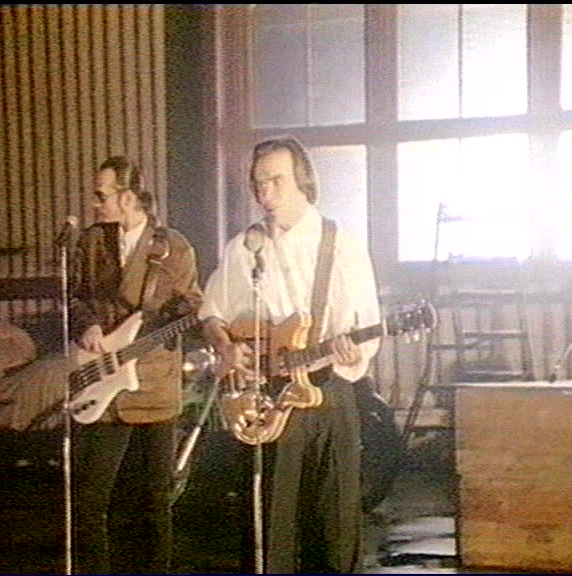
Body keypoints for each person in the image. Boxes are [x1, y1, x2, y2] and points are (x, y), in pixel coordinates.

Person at [198, 136, 381, 574]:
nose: (266, 194)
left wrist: (348, 350)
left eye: (277, 181)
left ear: (303, 182)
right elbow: (211, 312)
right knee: (269, 528)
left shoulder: (342, 244)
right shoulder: (244, 247)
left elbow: (368, 328)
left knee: (336, 529)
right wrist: (225, 346)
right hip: (267, 397)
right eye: (259, 183)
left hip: (330, 394)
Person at [68, 155, 204, 574]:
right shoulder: (91, 242)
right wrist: (87, 324)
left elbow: (194, 308)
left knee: (154, 501)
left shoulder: (174, 247)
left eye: (101, 195)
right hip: (101, 385)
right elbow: (73, 297)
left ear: (128, 198)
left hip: (155, 385)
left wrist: (178, 318)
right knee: (90, 501)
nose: (95, 204)